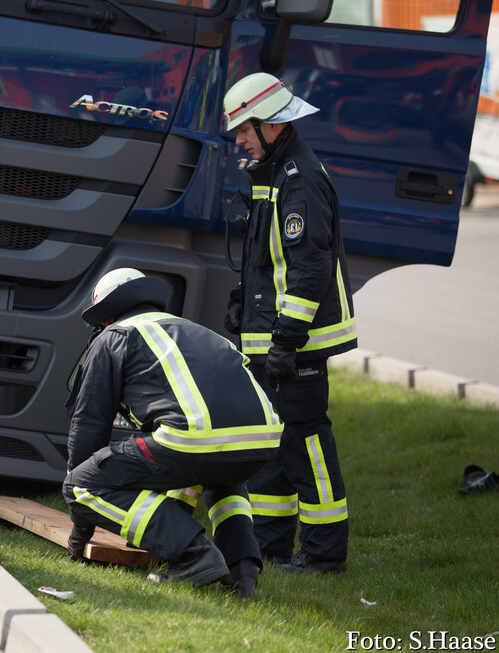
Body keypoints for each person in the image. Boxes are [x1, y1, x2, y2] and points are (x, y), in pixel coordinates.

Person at [62, 268, 283, 598]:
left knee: (80, 485)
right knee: (219, 474)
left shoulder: (113, 337)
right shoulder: (192, 329)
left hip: (194, 437)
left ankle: (194, 556)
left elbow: (89, 429)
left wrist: (80, 521)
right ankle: (243, 571)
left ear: (106, 317)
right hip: (263, 437)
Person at [222, 72, 357, 573]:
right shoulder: (274, 174)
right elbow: (269, 260)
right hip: (274, 340)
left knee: (306, 443)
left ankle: (324, 557)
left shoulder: (298, 179)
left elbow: (309, 268)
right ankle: (271, 546)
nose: (238, 140)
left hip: (297, 345)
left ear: (271, 125)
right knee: (274, 447)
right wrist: (244, 303)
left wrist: (284, 341)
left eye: (243, 129)